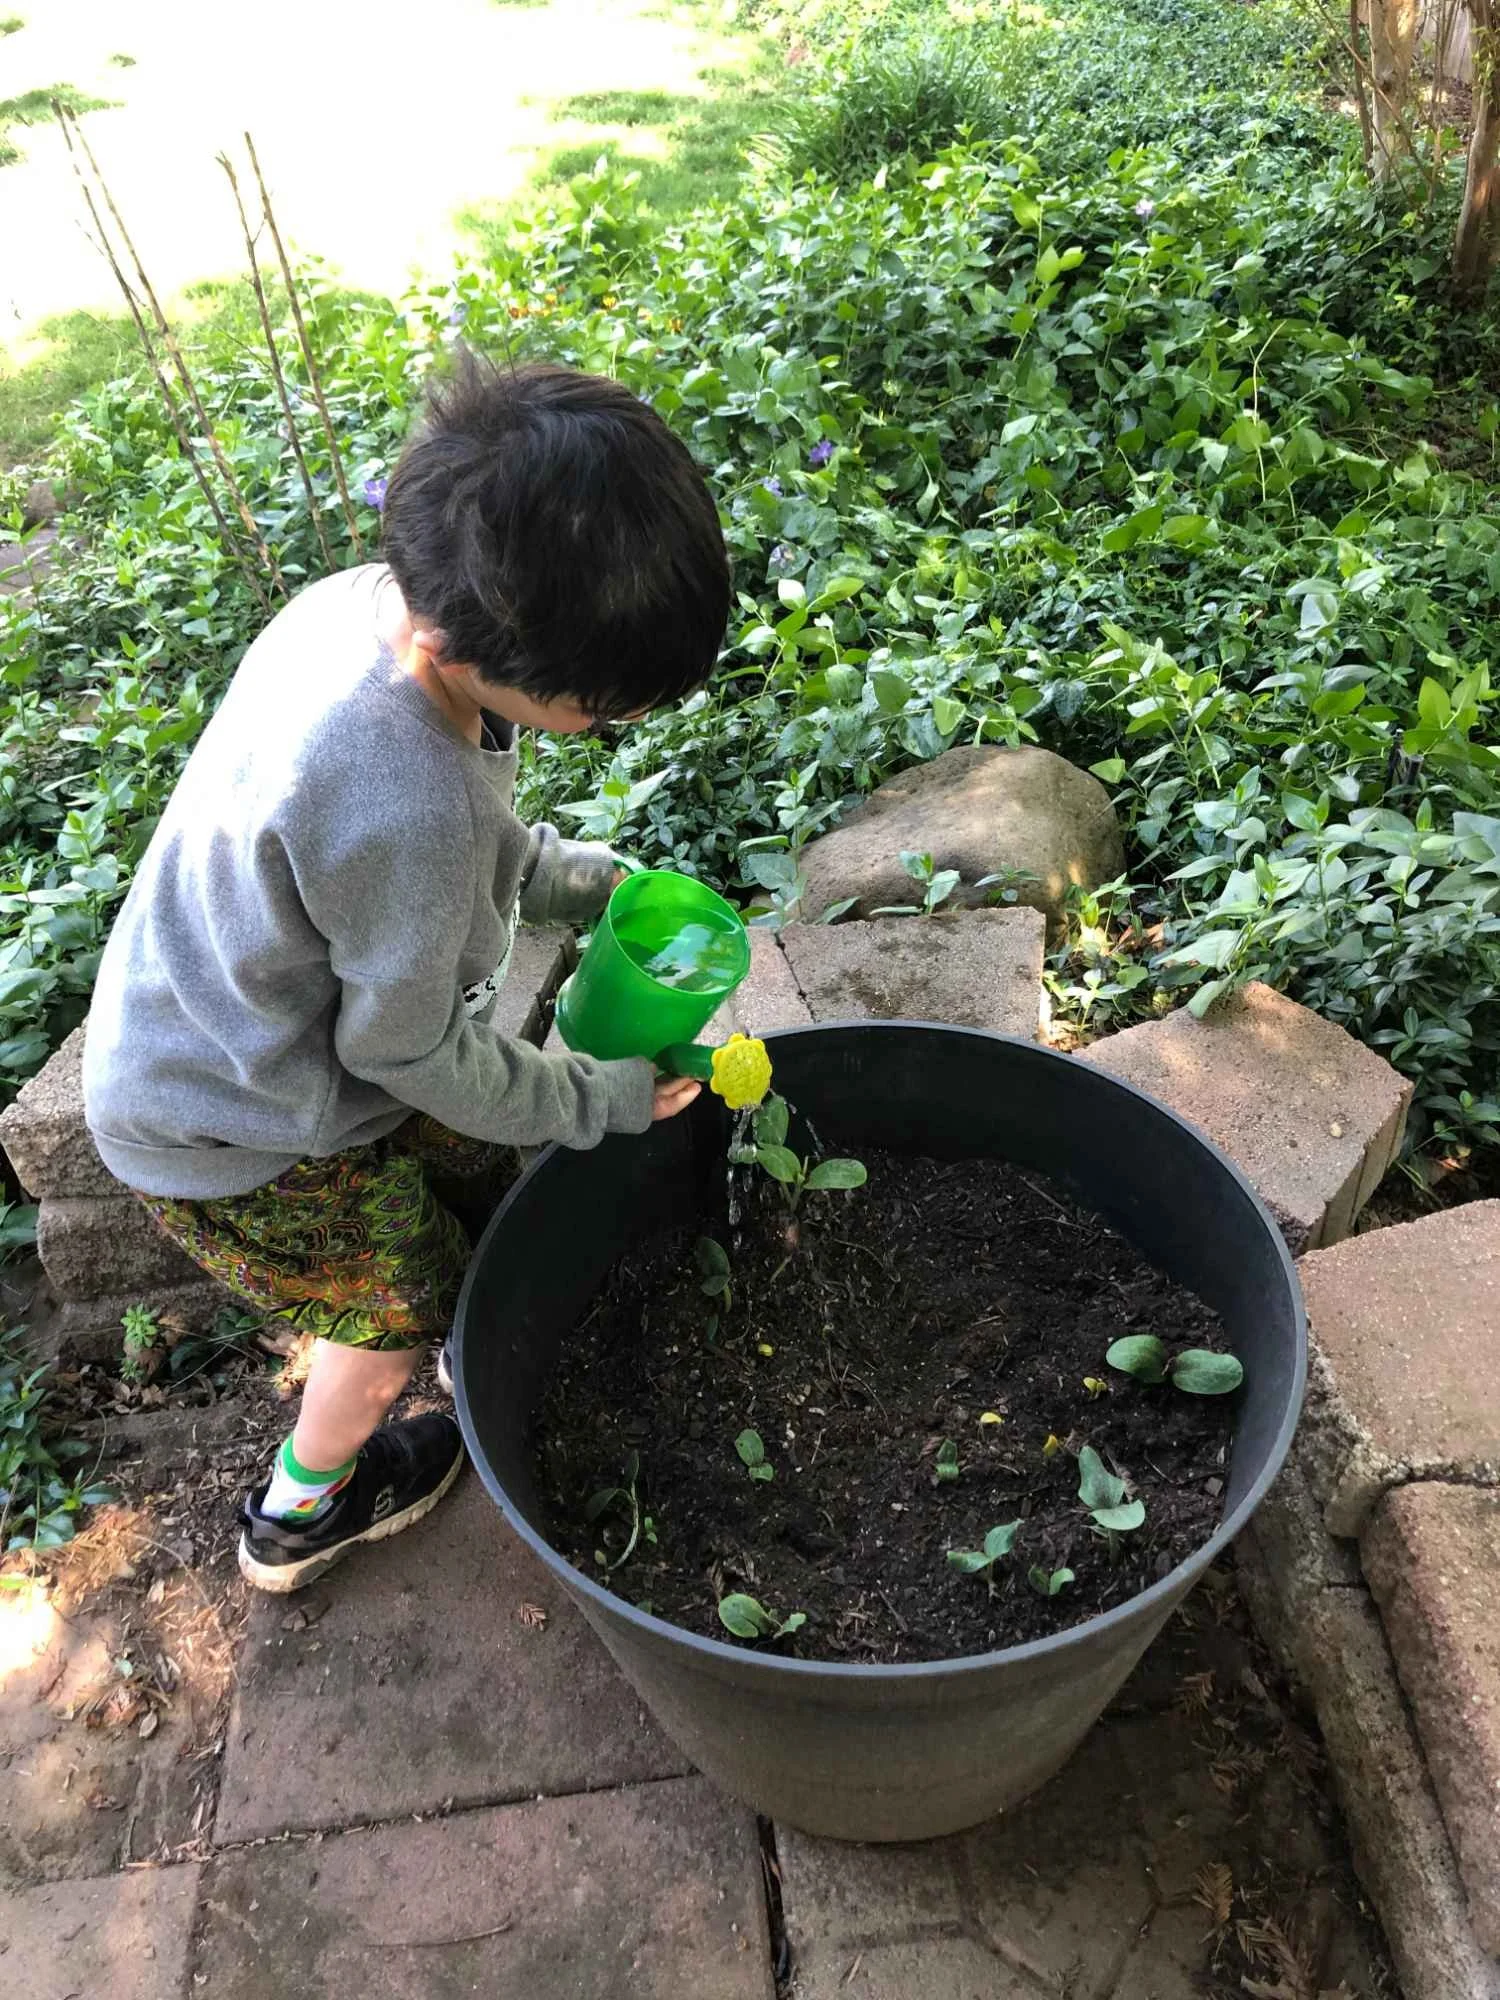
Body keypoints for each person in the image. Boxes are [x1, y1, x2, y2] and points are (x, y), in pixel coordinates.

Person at [82, 355, 730, 1592]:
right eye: (597, 709)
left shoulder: (364, 603)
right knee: (385, 1317)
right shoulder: (404, 797)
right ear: (448, 640)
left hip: (262, 1021)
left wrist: (564, 874)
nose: (606, 727)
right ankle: (302, 1509)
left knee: (474, 1167)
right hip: (232, 1118)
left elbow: (409, 857)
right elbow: (407, 1049)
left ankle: (478, 1300)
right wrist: (591, 1092)